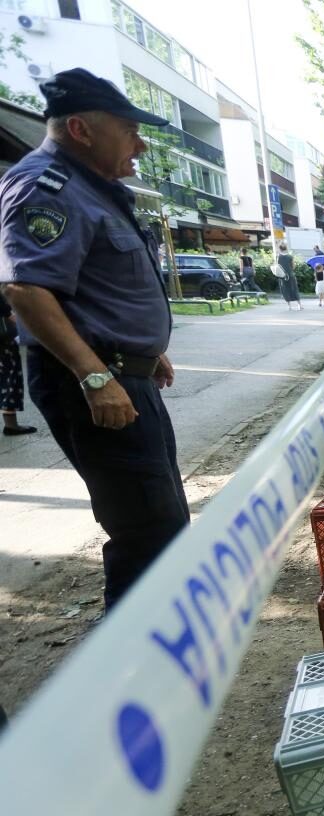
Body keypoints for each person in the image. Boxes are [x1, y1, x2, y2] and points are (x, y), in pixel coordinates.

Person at [0, 68, 189, 607]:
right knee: (146, 532)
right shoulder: (46, 185)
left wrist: (143, 354)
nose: (141, 143)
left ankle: (154, 650)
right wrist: (96, 372)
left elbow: (99, 287)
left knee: (164, 518)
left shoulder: (94, 187)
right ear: (81, 129)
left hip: (124, 376)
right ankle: (129, 671)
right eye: (129, 130)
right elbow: (26, 288)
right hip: (95, 386)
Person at [0, 292, 36, 435]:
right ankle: (11, 424)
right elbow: (4, 308)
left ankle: (11, 423)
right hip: (3, 339)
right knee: (10, 376)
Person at [273, 242, 301, 308]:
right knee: (294, 289)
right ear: (286, 248)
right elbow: (293, 267)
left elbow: (277, 266)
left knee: (285, 289)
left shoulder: (278, 256)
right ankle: (299, 304)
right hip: (290, 274)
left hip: (282, 276)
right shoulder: (290, 256)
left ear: (280, 249)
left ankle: (289, 306)